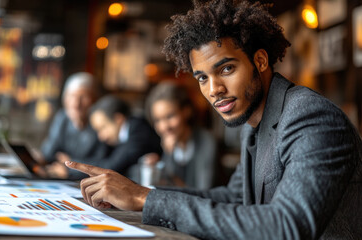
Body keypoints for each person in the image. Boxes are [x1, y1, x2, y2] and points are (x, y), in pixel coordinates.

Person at [65, 0, 362, 239]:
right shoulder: (255, 123)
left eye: (227, 69)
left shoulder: (312, 119)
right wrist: (135, 192)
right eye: (202, 78)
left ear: (259, 61)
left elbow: (286, 226)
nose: (214, 89)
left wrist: (144, 199)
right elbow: (232, 197)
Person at [142, 82, 217, 189]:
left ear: (186, 111)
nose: (164, 127)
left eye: (170, 116)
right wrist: (159, 165)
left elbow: (204, 191)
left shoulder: (207, 141)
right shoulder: (169, 144)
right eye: (158, 120)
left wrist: (166, 167)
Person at [40, 72, 109, 179]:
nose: (76, 104)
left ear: (95, 100)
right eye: (72, 96)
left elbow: (104, 164)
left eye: (83, 97)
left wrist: (70, 163)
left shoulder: (102, 124)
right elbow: (48, 153)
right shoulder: (62, 117)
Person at [87, 95, 162, 177]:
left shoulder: (138, 130)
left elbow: (110, 167)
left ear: (118, 119)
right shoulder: (120, 136)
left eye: (103, 128)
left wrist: (72, 167)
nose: (101, 137)